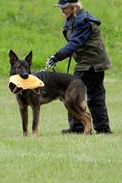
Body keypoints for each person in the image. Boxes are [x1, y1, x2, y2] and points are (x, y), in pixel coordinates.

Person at [46, 0, 112, 134]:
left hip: (90, 64)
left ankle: (78, 128)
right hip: (91, 62)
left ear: (74, 7)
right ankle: (102, 128)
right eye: (60, 8)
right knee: (95, 95)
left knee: (73, 94)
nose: (61, 11)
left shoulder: (83, 21)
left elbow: (74, 43)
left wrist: (56, 56)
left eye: (64, 8)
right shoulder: (74, 18)